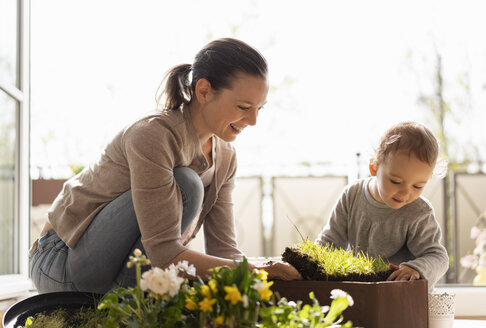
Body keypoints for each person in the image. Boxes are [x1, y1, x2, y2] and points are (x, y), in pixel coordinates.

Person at [30, 38, 301, 294]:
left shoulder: (226, 157)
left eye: (259, 108)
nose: (253, 121)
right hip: (61, 260)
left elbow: (224, 251)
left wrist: (266, 270)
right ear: (204, 91)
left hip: (121, 272)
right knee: (187, 184)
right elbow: (164, 254)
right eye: (244, 107)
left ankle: (130, 303)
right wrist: (253, 271)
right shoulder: (153, 134)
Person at [315, 121, 449, 290]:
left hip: (401, 293)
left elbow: (438, 257)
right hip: (361, 289)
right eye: (396, 181)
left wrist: (415, 268)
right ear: (374, 168)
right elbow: (329, 243)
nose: (405, 193)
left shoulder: (419, 211)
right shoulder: (352, 195)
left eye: (418, 186)